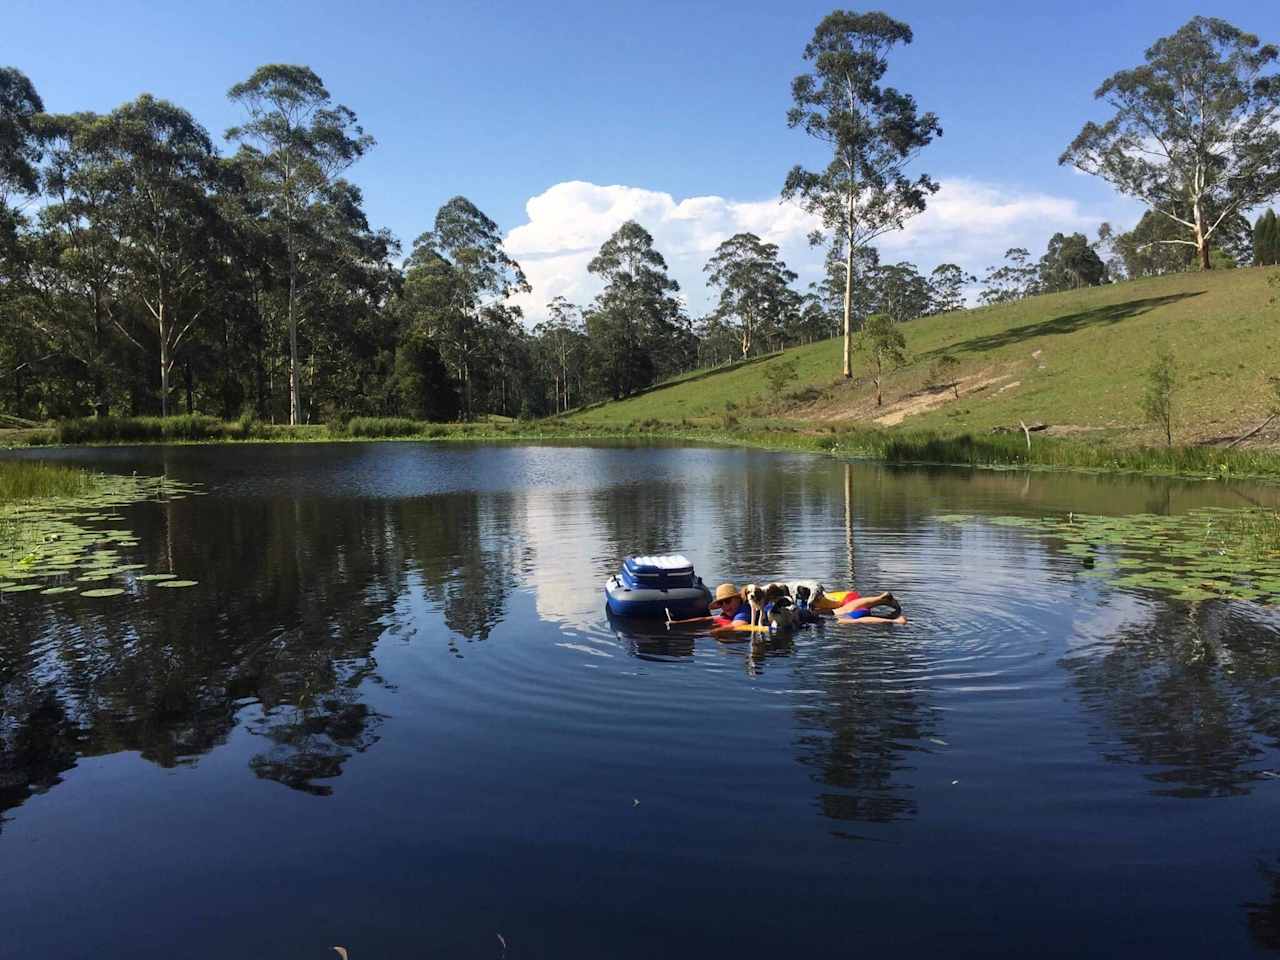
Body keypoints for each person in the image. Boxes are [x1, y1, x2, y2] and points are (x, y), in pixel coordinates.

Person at [666, 583, 749, 628]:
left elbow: (737, 625)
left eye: (727, 601)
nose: (724, 606)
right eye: (721, 603)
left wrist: (709, 632)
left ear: (738, 599)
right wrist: (678, 623)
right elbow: (706, 618)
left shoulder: (744, 610)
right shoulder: (732, 610)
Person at [832, 591, 907, 626]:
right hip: (848, 613)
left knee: (841, 615)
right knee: (842, 611)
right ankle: (880, 599)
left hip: (838, 616)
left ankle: (895, 620)